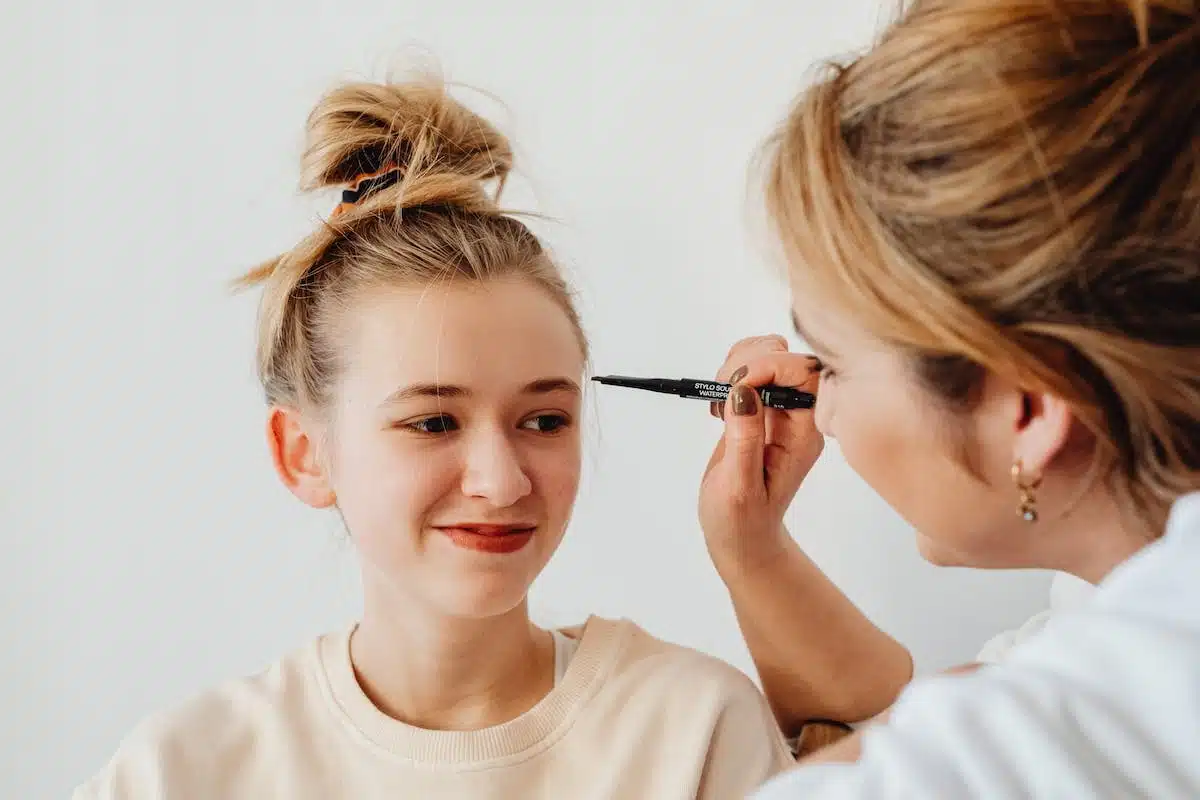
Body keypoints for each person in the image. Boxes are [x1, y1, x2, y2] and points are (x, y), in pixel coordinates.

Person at [72, 76, 824, 799]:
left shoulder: (694, 733)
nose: (502, 482)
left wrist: (751, 543)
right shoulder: (184, 772)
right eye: (433, 422)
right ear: (302, 453)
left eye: (543, 420)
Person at [692, 0, 1200, 795]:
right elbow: (902, 719)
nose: (817, 405)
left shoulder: (1053, 737)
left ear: (1030, 410)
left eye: (834, 362)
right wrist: (752, 550)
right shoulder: (1109, 619)